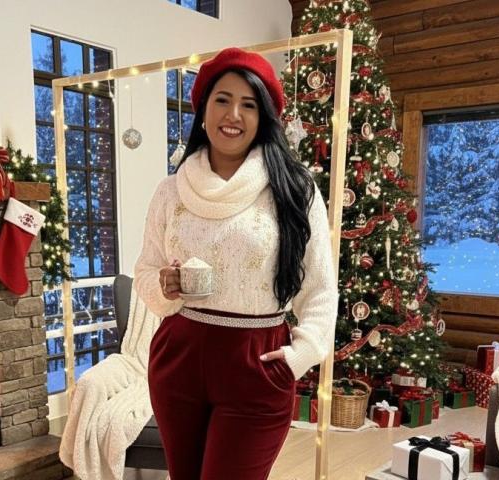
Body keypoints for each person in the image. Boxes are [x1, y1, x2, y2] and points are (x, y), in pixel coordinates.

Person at [133, 47, 338, 480]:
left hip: (258, 361)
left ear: (264, 117)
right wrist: (164, 285)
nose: (233, 115)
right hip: (179, 356)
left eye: (249, 104)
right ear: (203, 110)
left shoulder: (294, 190)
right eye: (222, 100)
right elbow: (146, 271)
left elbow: (321, 286)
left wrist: (300, 355)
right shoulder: (170, 191)